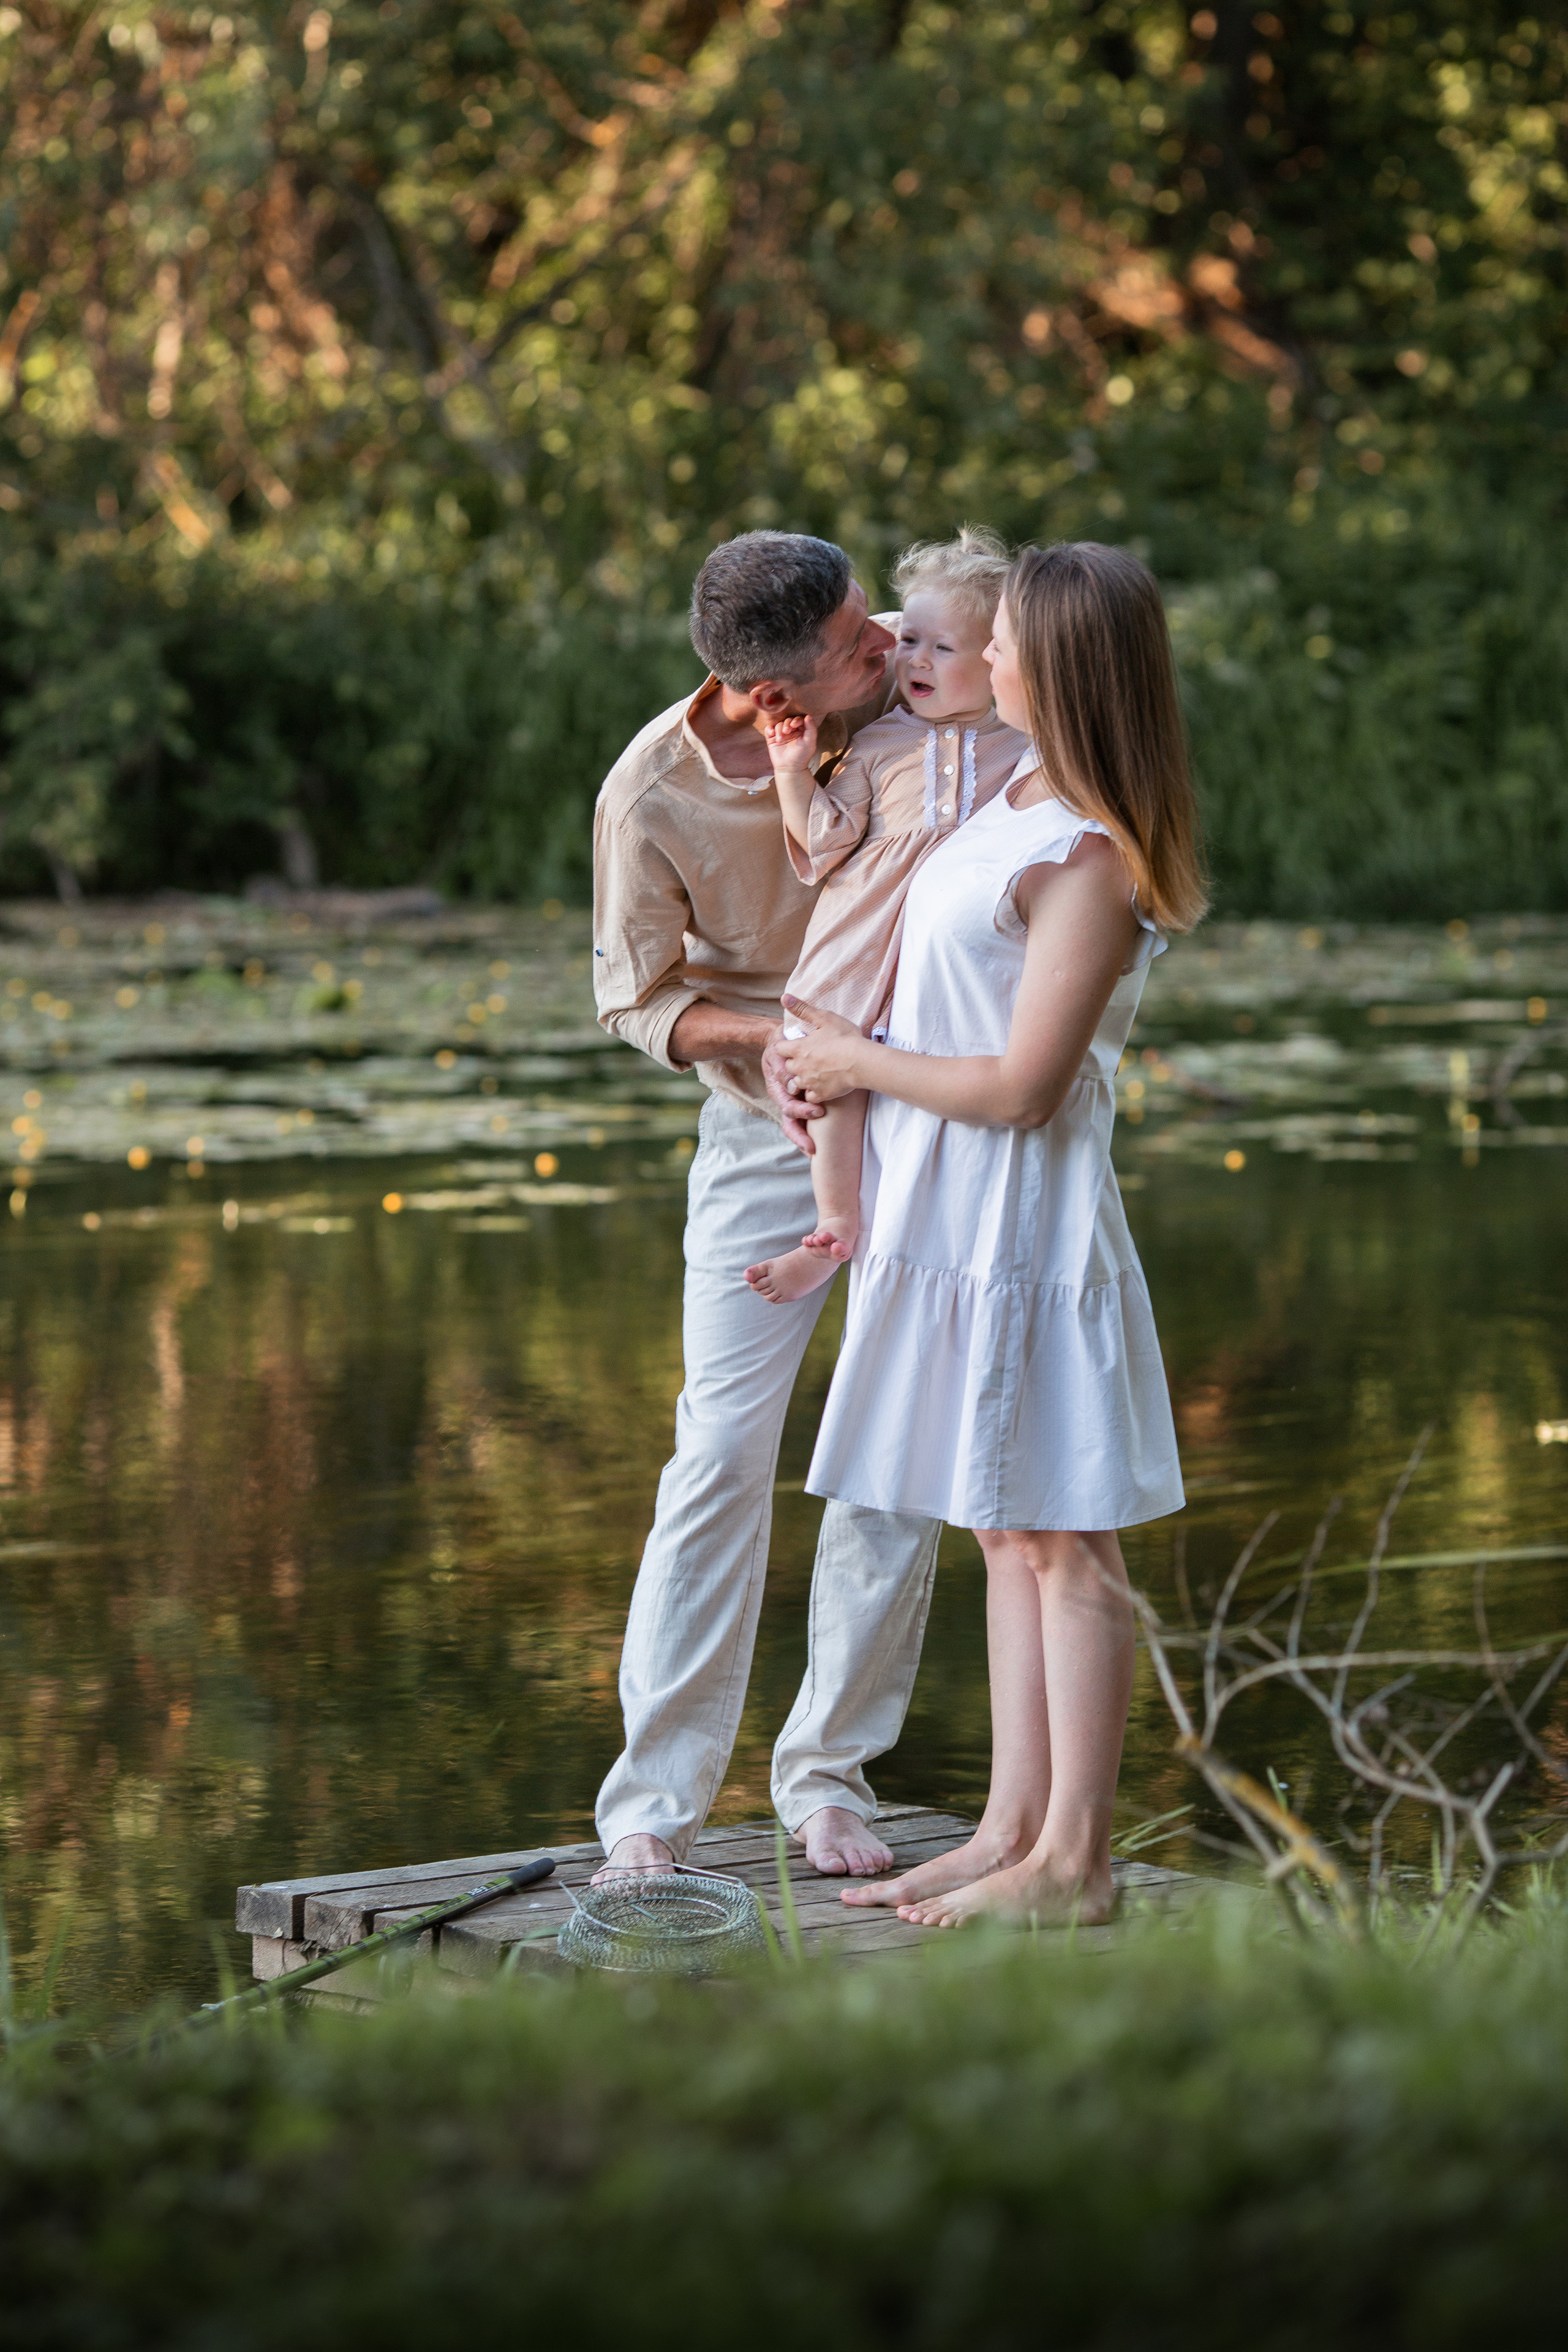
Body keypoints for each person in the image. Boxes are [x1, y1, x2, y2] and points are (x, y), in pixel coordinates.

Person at [777, 541, 1207, 1926]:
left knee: (1065, 1542)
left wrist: (856, 1062)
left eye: (1003, 638)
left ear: (1059, 666)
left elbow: (1024, 1089)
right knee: (1002, 1528)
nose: (977, 652)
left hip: (1023, 1227)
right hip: (946, 1222)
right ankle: (1009, 1828)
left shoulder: (1084, 850)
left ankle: (1072, 1863)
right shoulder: (1012, 791)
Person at [589, 529, 942, 1880]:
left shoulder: (911, 698)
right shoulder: (652, 799)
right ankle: (651, 1809)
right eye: (861, 641)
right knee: (720, 1456)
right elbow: (636, 1000)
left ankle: (829, 1776)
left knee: (887, 1450)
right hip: (758, 1145)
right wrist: (774, 1049)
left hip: (926, 1125)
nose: (888, 642)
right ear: (778, 701)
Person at [744, 528, 1027, 1306]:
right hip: (866, 930)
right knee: (822, 1044)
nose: (914, 662)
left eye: (943, 647)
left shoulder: (1027, 744)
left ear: (999, 659)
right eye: (908, 642)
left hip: (952, 949)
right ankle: (834, 1226)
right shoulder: (878, 744)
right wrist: (793, 775)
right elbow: (828, 844)